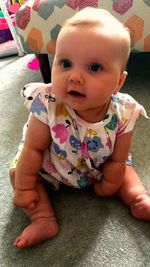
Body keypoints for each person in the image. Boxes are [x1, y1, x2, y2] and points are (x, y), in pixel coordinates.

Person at [9, 7, 150, 249]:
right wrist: (24, 187)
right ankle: (43, 218)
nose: (74, 77)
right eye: (65, 63)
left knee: (125, 173)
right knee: (19, 173)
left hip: (99, 164)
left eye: (94, 68)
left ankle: (140, 200)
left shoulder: (125, 112)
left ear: (118, 82)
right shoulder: (48, 103)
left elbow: (118, 159)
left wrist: (110, 185)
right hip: (51, 164)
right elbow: (32, 149)